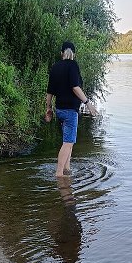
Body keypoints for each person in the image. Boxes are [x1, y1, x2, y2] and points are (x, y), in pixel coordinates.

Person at [46, 41, 98, 178]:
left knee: (68, 142)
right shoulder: (73, 66)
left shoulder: (55, 67)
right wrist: (87, 103)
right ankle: (59, 174)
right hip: (70, 111)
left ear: (61, 53)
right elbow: (75, 87)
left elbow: (50, 91)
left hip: (60, 109)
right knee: (68, 143)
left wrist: (48, 108)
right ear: (73, 54)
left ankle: (67, 169)